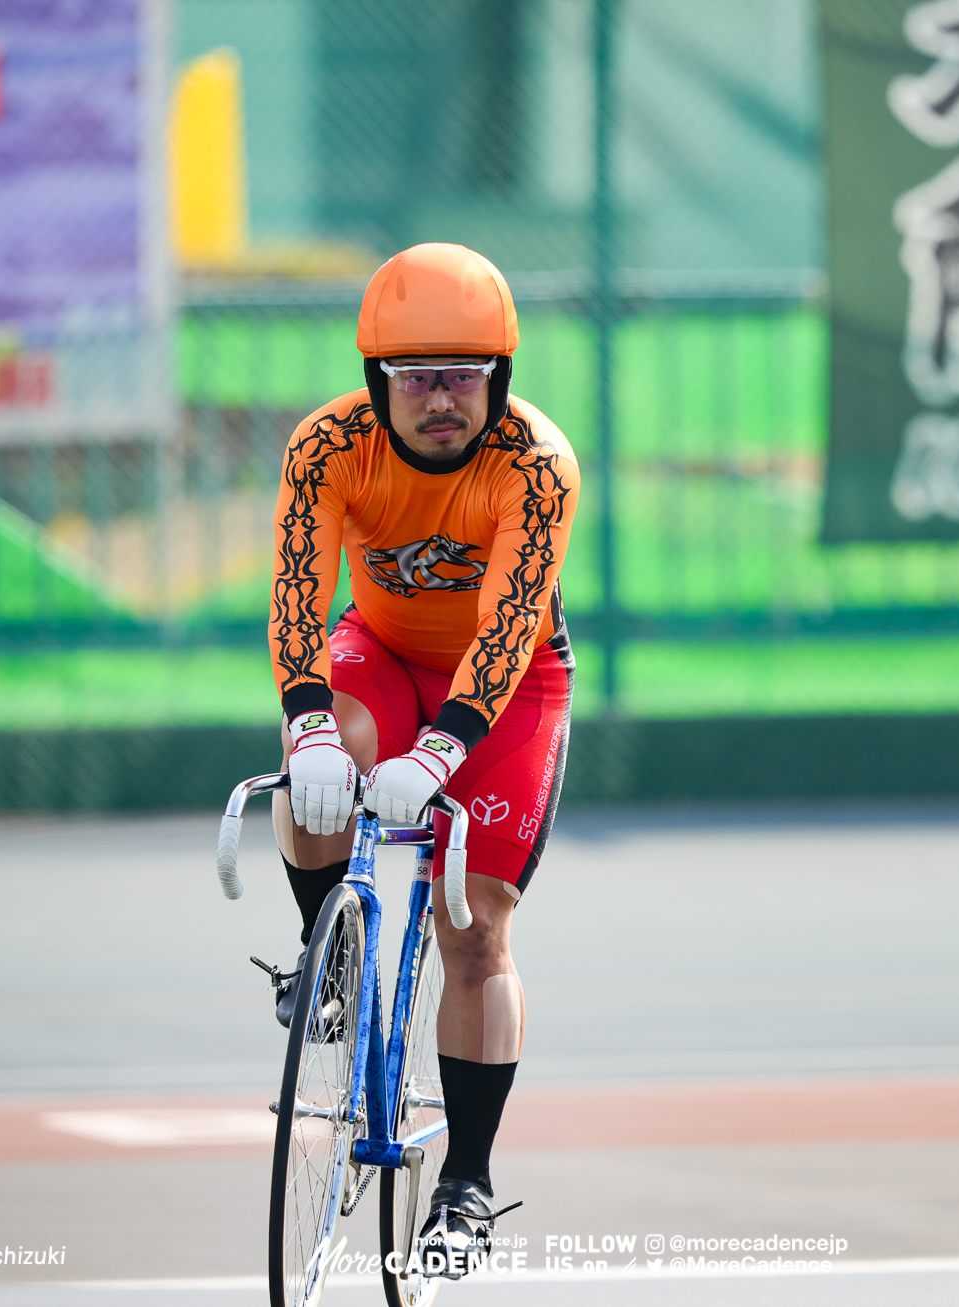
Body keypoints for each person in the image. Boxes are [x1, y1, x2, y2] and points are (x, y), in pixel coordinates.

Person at [264, 242, 579, 1278]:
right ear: (374, 381)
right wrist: (307, 721)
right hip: (385, 648)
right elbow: (300, 596)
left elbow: (506, 627)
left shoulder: (534, 464)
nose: (441, 398)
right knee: (320, 761)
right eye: (415, 377)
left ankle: (467, 1184)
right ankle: (331, 954)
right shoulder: (328, 448)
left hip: (507, 682)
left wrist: (443, 751)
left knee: (474, 923)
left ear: (499, 377)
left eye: (464, 374)